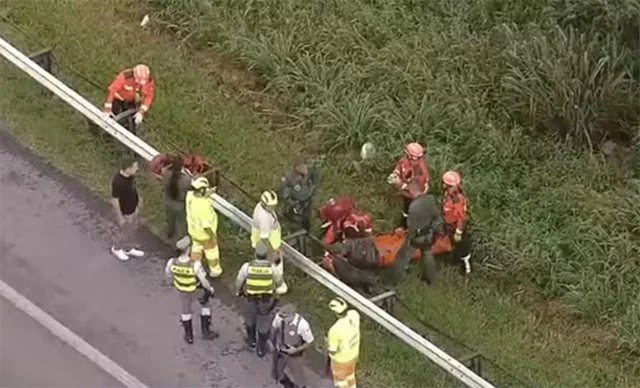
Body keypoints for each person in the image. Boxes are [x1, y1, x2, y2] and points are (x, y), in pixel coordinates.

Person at [165, 236, 218, 344]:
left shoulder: (171, 262)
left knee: (186, 312)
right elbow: (204, 281)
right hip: (195, 290)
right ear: (188, 249)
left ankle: (189, 336)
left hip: (182, 291)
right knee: (205, 306)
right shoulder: (195, 265)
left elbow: (168, 274)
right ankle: (206, 331)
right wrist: (210, 289)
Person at [235, 241, 283, 358]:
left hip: (250, 299)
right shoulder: (273, 269)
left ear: (255, 254)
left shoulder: (247, 267)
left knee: (250, 319)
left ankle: (251, 341)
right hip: (266, 301)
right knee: (264, 323)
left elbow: (239, 281)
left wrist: (238, 291)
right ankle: (261, 348)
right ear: (266, 255)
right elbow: (278, 283)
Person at [393, 191, 443, 284]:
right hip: (429, 234)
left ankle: (394, 279)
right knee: (427, 253)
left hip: (417, 235)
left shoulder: (413, 206)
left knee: (403, 255)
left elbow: (410, 223)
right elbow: (438, 219)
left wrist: (405, 228)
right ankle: (432, 279)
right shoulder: (431, 201)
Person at [251, 190, 288, 295]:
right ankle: (279, 285)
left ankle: (266, 284)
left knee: (264, 265)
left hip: (264, 242)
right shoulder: (264, 218)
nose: (273, 208)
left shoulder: (262, 208)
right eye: (271, 206)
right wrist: (273, 252)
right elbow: (264, 238)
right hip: (269, 244)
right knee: (276, 266)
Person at [185, 177, 222, 278]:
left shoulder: (190, 196)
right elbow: (206, 226)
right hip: (205, 235)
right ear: (202, 190)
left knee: (196, 249)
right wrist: (213, 236)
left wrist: (208, 193)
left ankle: (195, 267)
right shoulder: (203, 206)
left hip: (194, 232)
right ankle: (215, 271)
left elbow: (200, 196)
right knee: (212, 253)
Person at [271, 304, 314, 388]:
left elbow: (309, 341)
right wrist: (274, 343)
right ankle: (288, 385)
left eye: (285, 317)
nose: (282, 319)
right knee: (276, 373)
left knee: (298, 377)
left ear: (293, 315)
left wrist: (296, 350)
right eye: (282, 316)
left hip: (294, 354)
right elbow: (274, 328)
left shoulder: (303, 325)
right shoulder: (279, 317)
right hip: (280, 350)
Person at [387, 142, 429, 228]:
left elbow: (414, 190)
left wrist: (399, 184)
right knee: (406, 210)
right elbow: (399, 167)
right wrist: (395, 174)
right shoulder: (405, 161)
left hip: (415, 196)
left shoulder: (420, 172)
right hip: (407, 195)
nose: (405, 157)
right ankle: (404, 225)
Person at [110, 157, 144, 261]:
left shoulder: (130, 177)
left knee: (133, 228)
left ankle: (128, 248)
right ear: (128, 168)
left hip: (133, 207)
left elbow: (132, 189)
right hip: (125, 211)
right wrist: (120, 217)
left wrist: (138, 201)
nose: (137, 169)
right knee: (125, 230)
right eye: (135, 167)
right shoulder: (118, 182)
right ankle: (117, 248)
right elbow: (114, 200)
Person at [102, 64, 154, 129]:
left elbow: (148, 96)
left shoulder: (148, 81)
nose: (139, 83)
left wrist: (141, 112)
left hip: (131, 101)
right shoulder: (125, 76)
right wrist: (107, 108)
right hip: (117, 99)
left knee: (132, 121)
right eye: (138, 80)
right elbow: (112, 90)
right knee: (112, 117)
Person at [439, 171, 472, 274]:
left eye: (444, 183)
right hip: (448, 225)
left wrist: (459, 231)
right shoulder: (448, 194)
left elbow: (461, 217)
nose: (442, 184)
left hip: (455, 227)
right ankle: (455, 259)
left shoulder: (457, 199)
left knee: (462, 246)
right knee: (453, 244)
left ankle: (466, 266)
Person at [326, 298, 360, 388]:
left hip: (341, 361)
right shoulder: (354, 314)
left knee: (341, 383)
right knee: (350, 376)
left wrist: (326, 342)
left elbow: (332, 350)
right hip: (354, 354)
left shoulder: (335, 330)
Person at [279, 157, 320, 232]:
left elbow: (316, 179)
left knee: (306, 227)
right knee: (296, 229)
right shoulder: (289, 178)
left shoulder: (308, 175)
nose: (306, 168)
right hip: (294, 208)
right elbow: (284, 194)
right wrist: (294, 204)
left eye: (306, 165)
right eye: (303, 166)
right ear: (297, 167)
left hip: (306, 207)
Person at [162, 155, 191, 244]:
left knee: (170, 220)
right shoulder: (186, 179)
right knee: (179, 223)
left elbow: (164, 169)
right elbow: (189, 188)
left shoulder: (166, 173)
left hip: (168, 201)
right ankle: (179, 242)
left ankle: (169, 234)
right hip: (179, 204)